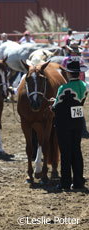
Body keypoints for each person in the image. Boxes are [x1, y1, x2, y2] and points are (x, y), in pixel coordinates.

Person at [51, 59, 88, 190]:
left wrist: (52, 104)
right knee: (76, 151)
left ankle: (65, 182)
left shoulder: (64, 88)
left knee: (66, 153)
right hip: (78, 122)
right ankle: (78, 181)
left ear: (69, 73)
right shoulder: (84, 85)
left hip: (64, 124)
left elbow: (56, 107)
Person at [61, 39, 89, 138]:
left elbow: (63, 73)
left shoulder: (66, 60)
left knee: (65, 108)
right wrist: (83, 84)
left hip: (69, 85)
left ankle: (67, 128)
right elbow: (83, 74)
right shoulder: (81, 60)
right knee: (78, 108)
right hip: (79, 85)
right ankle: (83, 130)